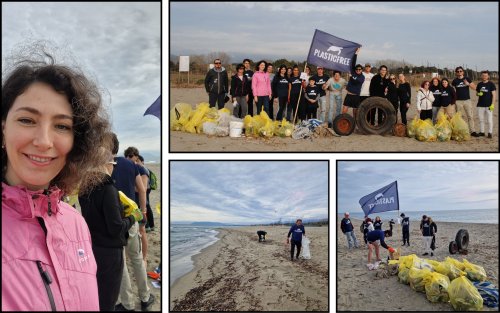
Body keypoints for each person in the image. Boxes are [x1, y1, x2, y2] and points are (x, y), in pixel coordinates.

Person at [1, 52, 111, 310]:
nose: (43, 141)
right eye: (27, 120)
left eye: (62, 126)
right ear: (3, 128)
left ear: (77, 140)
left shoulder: (77, 224)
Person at [79, 149, 141, 311]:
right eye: (113, 165)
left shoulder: (84, 189)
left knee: (98, 294)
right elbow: (116, 228)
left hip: (93, 248)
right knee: (108, 299)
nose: (114, 168)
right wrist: (133, 217)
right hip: (110, 251)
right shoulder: (108, 190)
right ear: (106, 165)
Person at [111, 138, 155, 311]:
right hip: (131, 217)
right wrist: (143, 212)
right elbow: (142, 190)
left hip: (113, 219)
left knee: (121, 261)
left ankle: (127, 304)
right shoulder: (132, 166)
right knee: (136, 258)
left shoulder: (103, 166)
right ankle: (145, 297)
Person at [125, 147, 149, 264]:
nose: (131, 159)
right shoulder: (129, 167)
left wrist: (143, 211)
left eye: (132, 157)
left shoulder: (141, 169)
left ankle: (144, 258)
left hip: (140, 204)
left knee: (141, 230)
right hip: (130, 204)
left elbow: (143, 188)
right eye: (129, 157)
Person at [452, 66, 479, 136]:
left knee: (470, 116)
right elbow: (452, 90)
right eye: (458, 71)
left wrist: (468, 84)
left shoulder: (467, 79)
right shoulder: (454, 81)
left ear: (463, 72)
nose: (459, 72)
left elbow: (475, 88)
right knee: (459, 117)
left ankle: (472, 131)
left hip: (467, 101)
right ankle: (459, 130)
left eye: (460, 71)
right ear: (456, 73)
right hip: (458, 101)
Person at [342, 48, 364, 120]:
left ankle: (355, 124)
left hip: (356, 97)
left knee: (355, 112)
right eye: (357, 69)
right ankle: (343, 122)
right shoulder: (353, 72)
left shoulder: (362, 77)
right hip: (349, 95)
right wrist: (356, 53)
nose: (358, 70)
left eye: (359, 69)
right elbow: (353, 63)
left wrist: (352, 77)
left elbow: (357, 82)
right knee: (344, 111)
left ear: (361, 70)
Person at [475, 70, 496, 138]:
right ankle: (482, 132)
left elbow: (494, 95)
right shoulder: (479, 84)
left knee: (489, 120)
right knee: (481, 119)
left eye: (486, 76)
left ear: (488, 76)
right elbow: (476, 93)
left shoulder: (491, 84)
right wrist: (478, 93)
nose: (484, 77)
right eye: (483, 75)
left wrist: (492, 104)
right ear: (481, 76)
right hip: (480, 105)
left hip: (489, 105)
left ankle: (490, 132)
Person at [137, 155, 155, 232]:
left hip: (145, 189)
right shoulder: (146, 169)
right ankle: (151, 226)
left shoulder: (143, 169)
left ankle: (147, 226)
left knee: (144, 207)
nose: (136, 162)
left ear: (142, 161)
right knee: (147, 207)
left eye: (137, 161)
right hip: (147, 189)